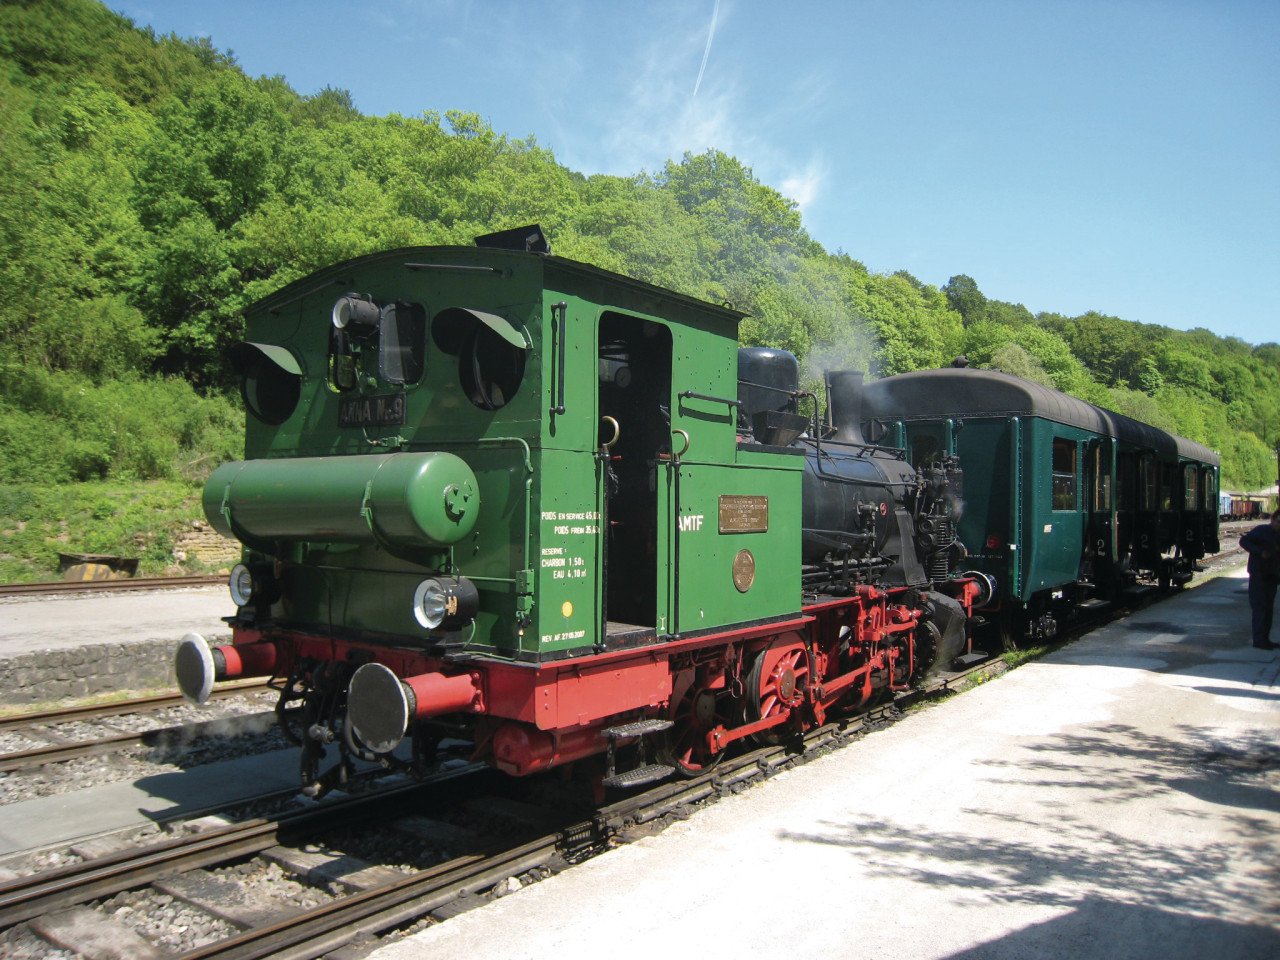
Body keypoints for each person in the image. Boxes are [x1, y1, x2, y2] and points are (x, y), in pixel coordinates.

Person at [1239, 511, 1280, 650]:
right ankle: (1259, 640)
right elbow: (1244, 541)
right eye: (1278, 522)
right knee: (1259, 607)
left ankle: (1265, 639)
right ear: (1272, 520)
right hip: (1259, 575)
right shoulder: (1261, 531)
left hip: (1272, 576)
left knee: (1268, 609)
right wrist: (1260, 551)